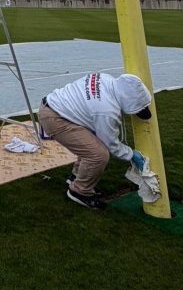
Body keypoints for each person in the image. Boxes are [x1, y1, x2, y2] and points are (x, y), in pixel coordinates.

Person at [39, 72, 153, 210]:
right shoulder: (107, 111)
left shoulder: (106, 78)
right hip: (56, 119)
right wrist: (131, 154)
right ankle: (80, 191)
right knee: (98, 155)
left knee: (89, 144)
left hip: (57, 108)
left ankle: (76, 177)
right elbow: (111, 144)